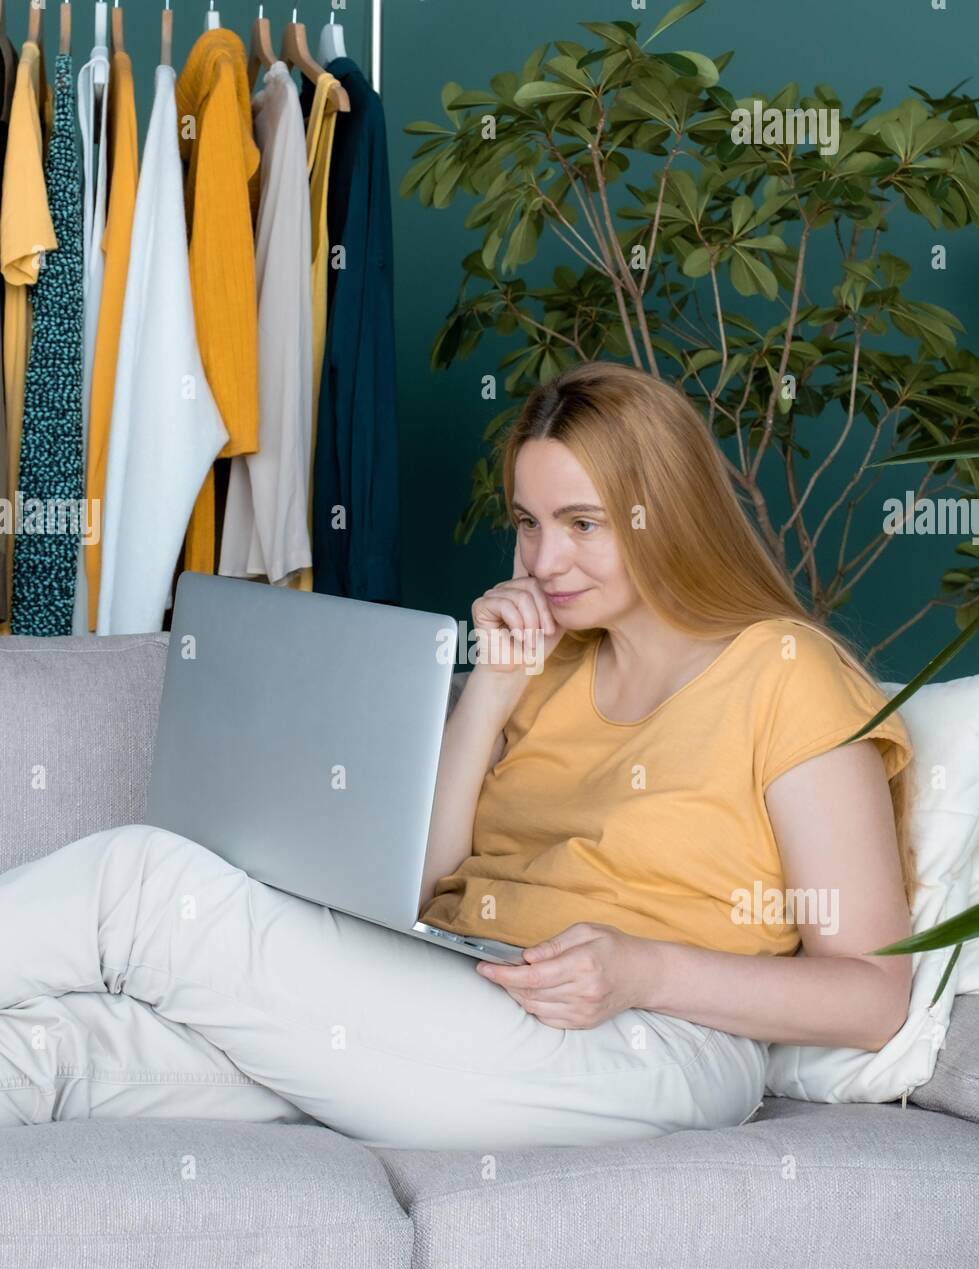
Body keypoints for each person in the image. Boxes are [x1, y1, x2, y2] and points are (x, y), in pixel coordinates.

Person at [0, 362, 916, 1150]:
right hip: (460, 988)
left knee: (144, 885)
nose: (544, 559)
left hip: (649, 1039)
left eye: (582, 524)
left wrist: (645, 970)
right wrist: (492, 688)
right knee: (56, 1050)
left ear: (664, 514)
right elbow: (419, 874)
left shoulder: (787, 676)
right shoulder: (549, 663)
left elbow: (870, 996)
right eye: (527, 522)